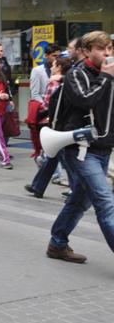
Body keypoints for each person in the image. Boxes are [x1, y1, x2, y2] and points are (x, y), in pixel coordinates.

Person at [46, 30, 114, 264]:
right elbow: (86, 100)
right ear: (86, 51)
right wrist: (106, 78)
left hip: (103, 148)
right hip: (81, 149)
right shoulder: (76, 75)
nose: (106, 53)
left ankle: (57, 243)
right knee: (105, 202)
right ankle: (57, 242)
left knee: (80, 200)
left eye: (109, 49)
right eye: (100, 49)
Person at [25, 57, 74, 198]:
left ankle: (75, 189)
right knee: (53, 156)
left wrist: (39, 113)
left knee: (64, 157)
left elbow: (48, 104)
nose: (51, 68)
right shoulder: (69, 81)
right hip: (63, 122)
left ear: (58, 67)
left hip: (56, 123)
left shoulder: (53, 82)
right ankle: (37, 187)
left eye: (53, 65)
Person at [26, 44, 62, 159]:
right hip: (44, 111)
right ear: (46, 56)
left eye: (59, 56)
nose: (57, 58)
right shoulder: (38, 71)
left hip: (58, 111)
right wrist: (46, 107)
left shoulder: (61, 70)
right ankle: (43, 160)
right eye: (54, 55)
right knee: (45, 143)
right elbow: (35, 93)